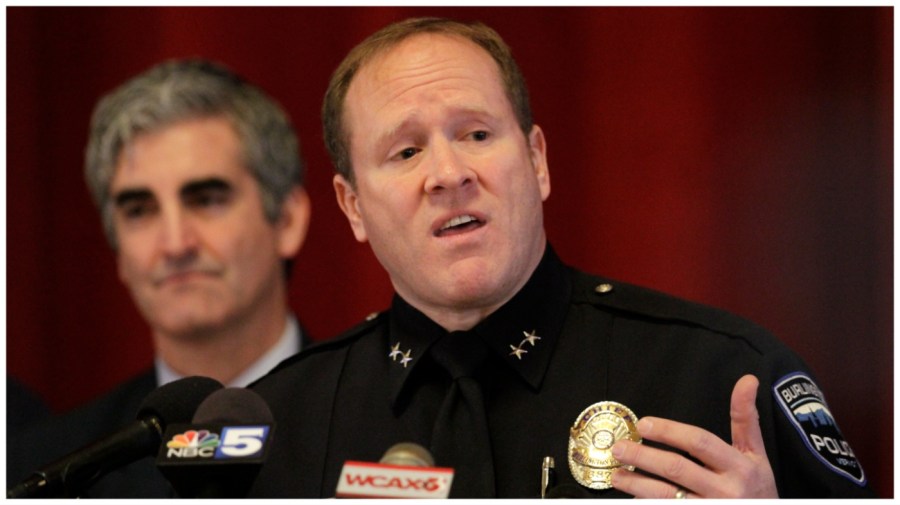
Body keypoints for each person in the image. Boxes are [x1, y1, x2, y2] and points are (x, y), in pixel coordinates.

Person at [247, 17, 875, 498]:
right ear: (352, 206)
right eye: (405, 152)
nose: (448, 173)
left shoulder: (720, 376)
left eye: (476, 134)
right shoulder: (285, 426)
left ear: (538, 161)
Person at [7, 59, 311, 497]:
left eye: (206, 199)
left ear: (286, 219)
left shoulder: (380, 421)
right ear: (119, 252)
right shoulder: (44, 467)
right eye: (139, 210)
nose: (174, 244)